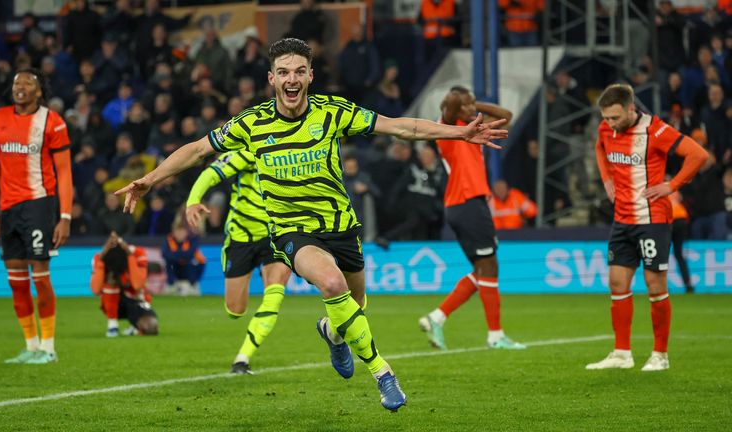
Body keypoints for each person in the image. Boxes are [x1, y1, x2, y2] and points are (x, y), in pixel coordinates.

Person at [116, 38, 507, 411]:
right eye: (283, 72)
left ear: (309, 76)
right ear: (271, 79)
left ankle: (333, 332)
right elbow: (198, 149)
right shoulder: (251, 124)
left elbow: (403, 127)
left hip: (341, 228)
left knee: (355, 307)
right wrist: (150, 180)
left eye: (299, 71)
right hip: (292, 232)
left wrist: (461, 132)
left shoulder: (332, 112)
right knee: (332, 284)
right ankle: (383, 373)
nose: (291, 79)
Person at [587, 84, 708, 372]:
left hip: (652, 220)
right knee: (617, 284)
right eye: (606, 118)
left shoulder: (655, 130)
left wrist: (672, 185)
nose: (610, 124)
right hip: (622, 220)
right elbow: (599, 147)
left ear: (631, 109)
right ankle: (621, 353)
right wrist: (606, 179)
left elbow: (698, 155)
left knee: (655, 286)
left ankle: (660, 355)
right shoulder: (607, 129)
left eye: (615, 118)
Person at [418, 86, 525, 351]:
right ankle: (496, 335)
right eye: (464, 106)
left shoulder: (471, 127)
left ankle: (437, 318)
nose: (469, 109)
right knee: (489, 267)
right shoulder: (449, 126)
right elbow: (449, 108)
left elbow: (507, 115)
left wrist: (475, 104)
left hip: (467, 204)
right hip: (467, 202)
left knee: (483, 270)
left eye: (470, 105)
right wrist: (458, 101)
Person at [0, 68, 73, 364]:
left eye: (27, 83)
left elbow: (65, 171)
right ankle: (30, 346)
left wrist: (66, 216)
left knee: (41, 277)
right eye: (16, 82)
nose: (19, 86)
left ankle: (48, 347)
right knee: (16, 280)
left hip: (38, 205)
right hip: (7, 208)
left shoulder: (52, 122)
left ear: (39, 92)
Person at [185, 151, 292, 374]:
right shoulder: (247, 152)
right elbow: (211, 173)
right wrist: (193, 200)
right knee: (235, 310)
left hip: (275, 235)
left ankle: (242, 358)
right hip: (240, 237)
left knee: (275, 291)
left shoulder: (293, 153)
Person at [91, 232, 158, 337]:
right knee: (110, 284)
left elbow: (137, 284)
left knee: (150, 327)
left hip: (136, 299)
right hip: (114, 302)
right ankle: (112, 325)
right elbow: (95, 290)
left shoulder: (138, 254)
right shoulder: (100, 258)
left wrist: (130, 256)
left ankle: (135, 325)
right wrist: (103, 258)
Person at [162, 224, 206, 295]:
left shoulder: (192, 239)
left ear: (186, 232)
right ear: (173, 232)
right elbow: (165, 254)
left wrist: (176, 254)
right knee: (169, 263)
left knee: (195, 262)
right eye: (177, 232)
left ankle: (192, 285)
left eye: (182, 232)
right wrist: (181, 256)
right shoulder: (169, 239)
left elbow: (190, 254)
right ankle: (172, 285)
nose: (179, 234)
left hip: (189, 267)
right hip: (175, 266)